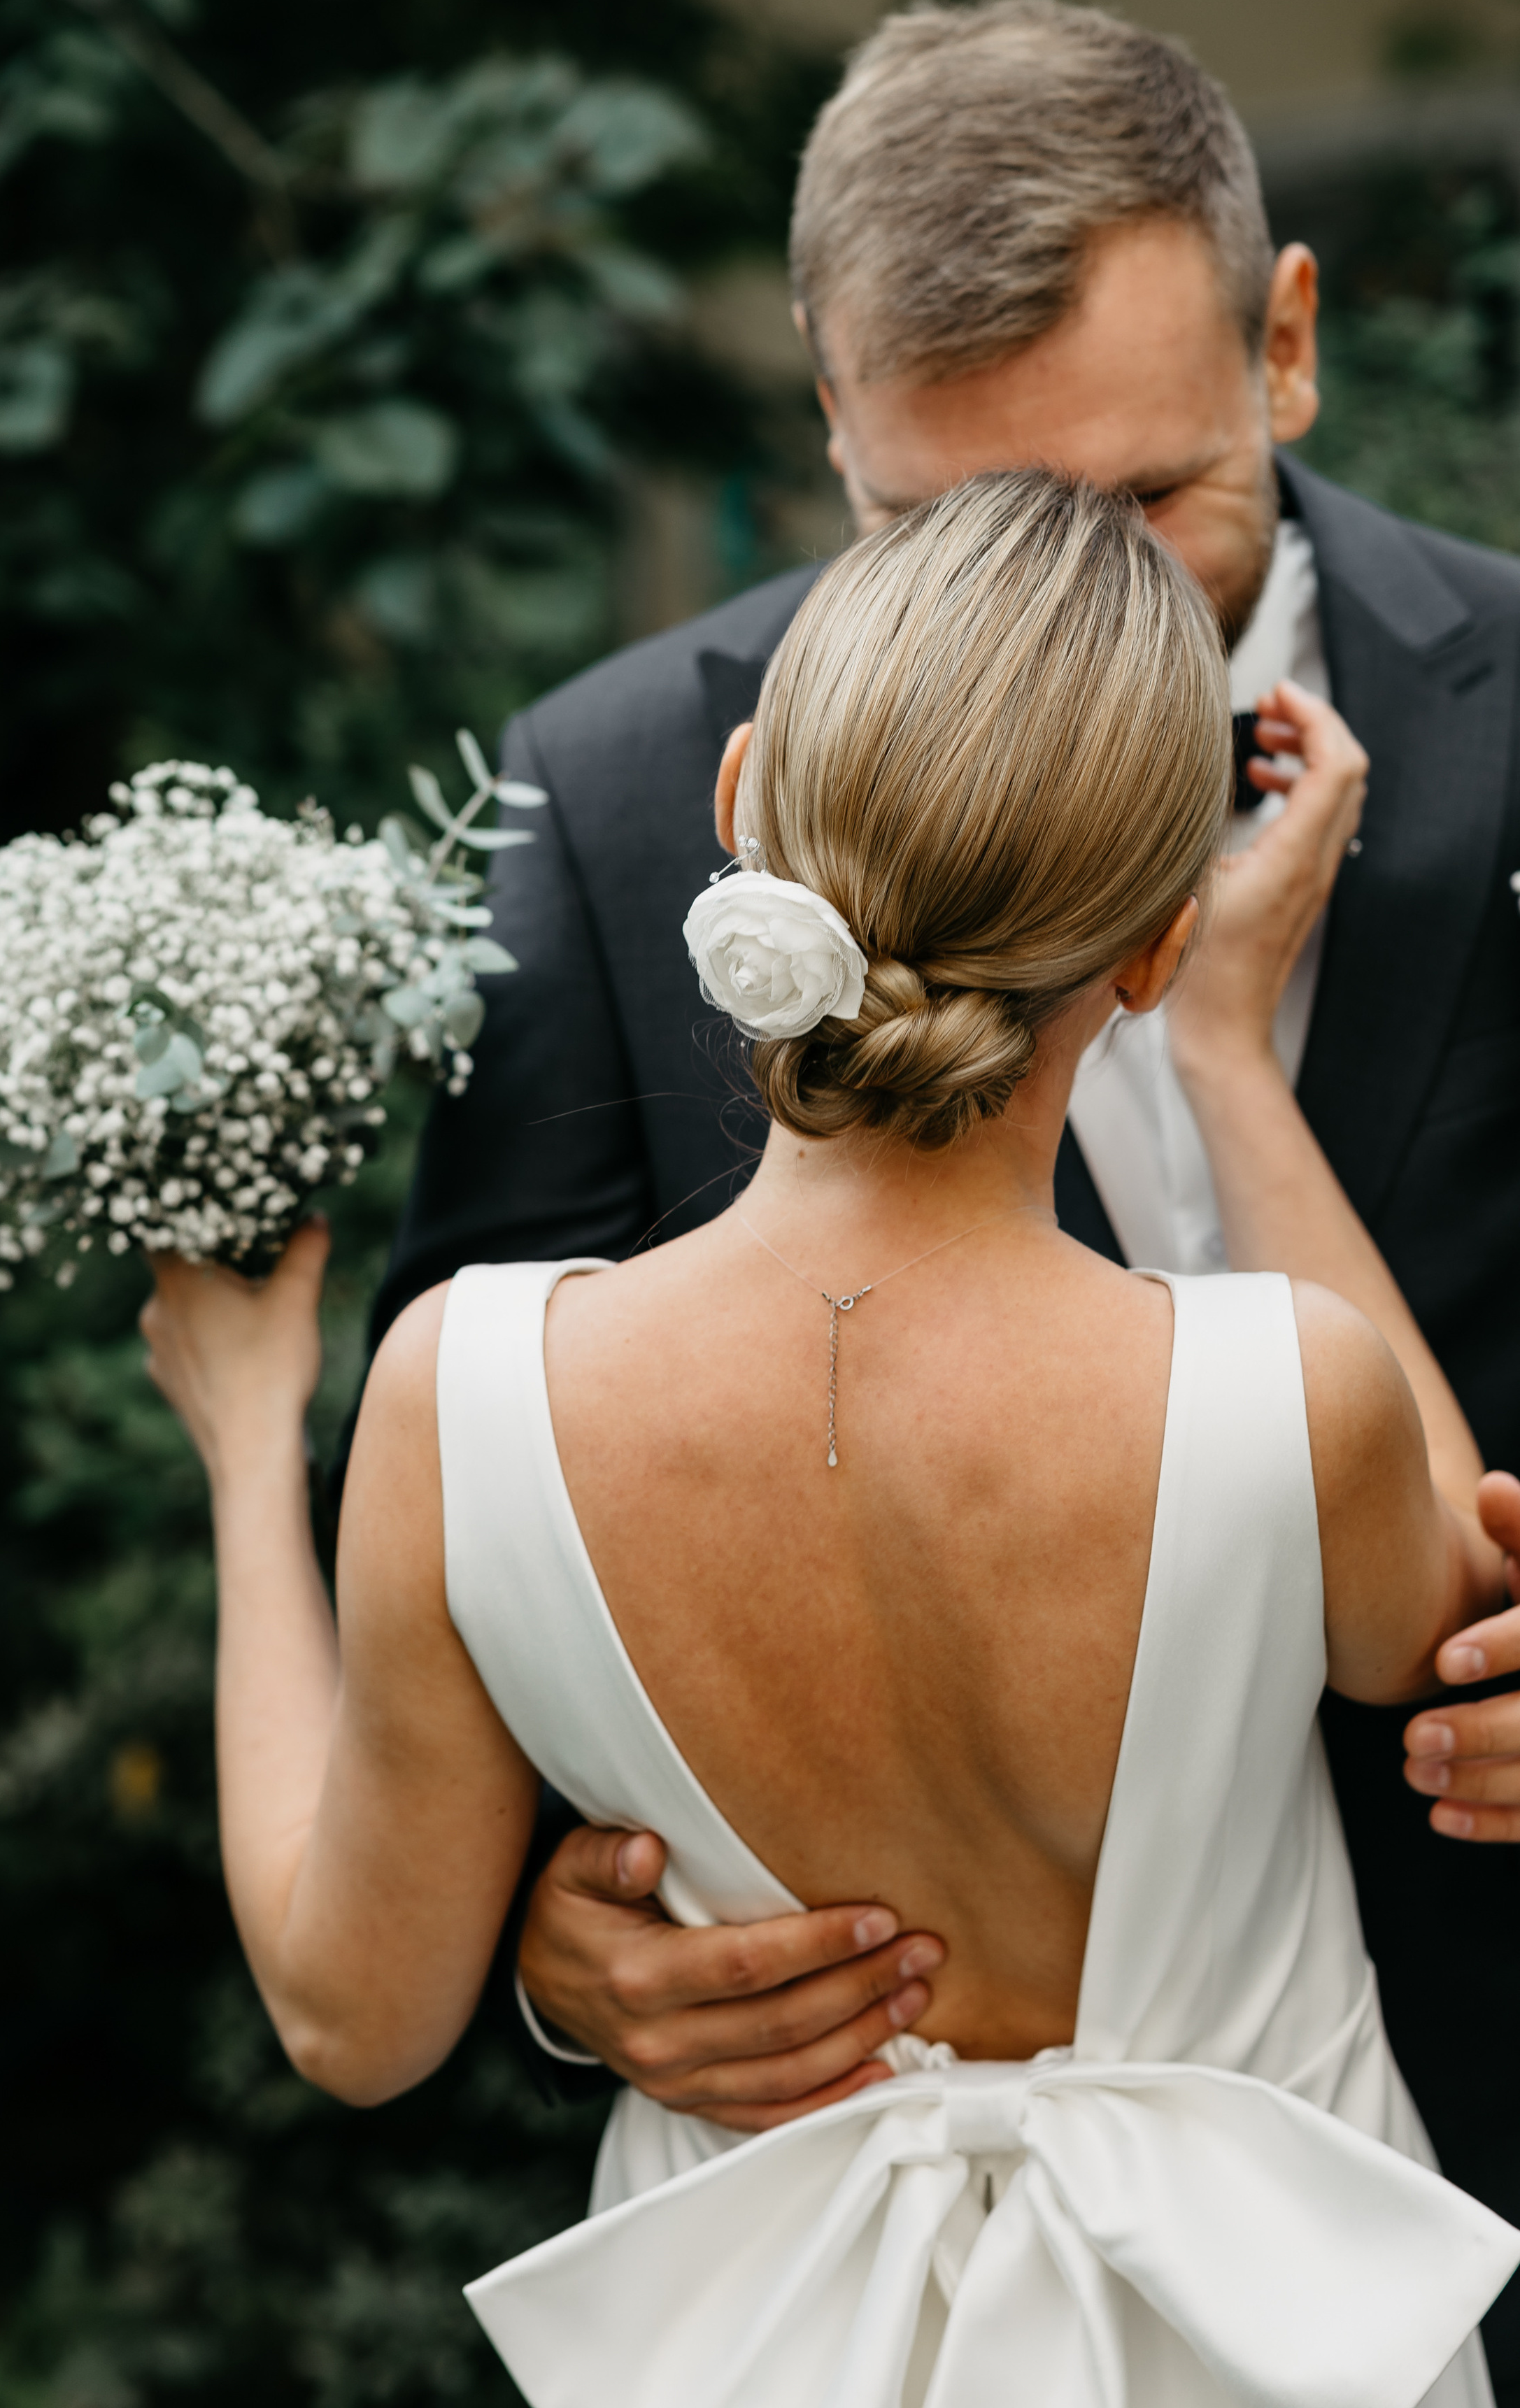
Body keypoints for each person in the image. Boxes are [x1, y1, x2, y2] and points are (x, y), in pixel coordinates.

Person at [350, 0, 1520, 2384]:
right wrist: (560, 1950)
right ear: (829, 429)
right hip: (874, 2231)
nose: (1053, 605)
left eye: (1140, 510)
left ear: (1287, 345)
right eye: (929, 522)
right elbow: (467, 1534)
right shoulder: (605, 794)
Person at [142, 473, 1519, 2407]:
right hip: (1274, 2346)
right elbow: (1460, 1594)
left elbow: (347, 2014)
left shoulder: (461, 1393)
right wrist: (1227, 1055)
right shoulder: (1294, 1399)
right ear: (1147, 945)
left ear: (736, 811)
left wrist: (244, 1436)